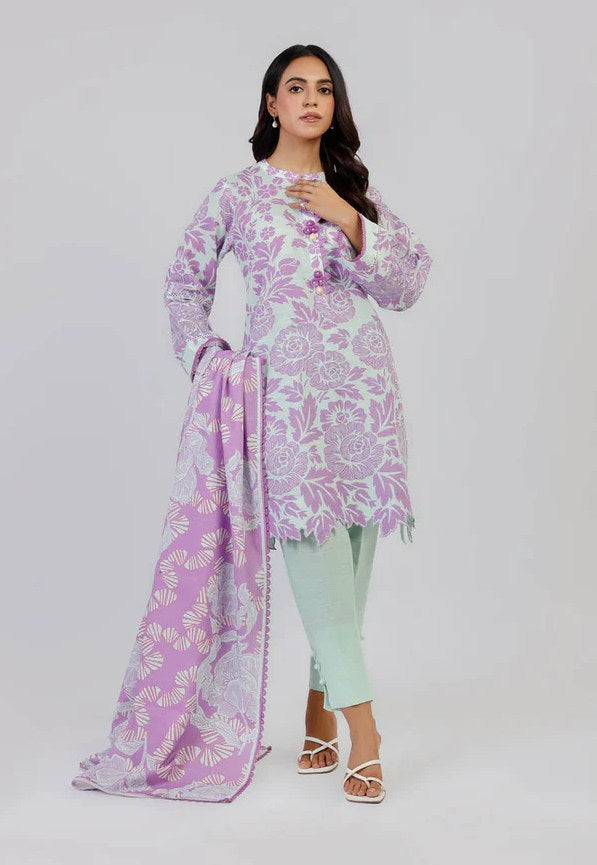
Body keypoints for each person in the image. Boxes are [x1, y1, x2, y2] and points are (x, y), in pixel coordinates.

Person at [164, 44, 433, 803]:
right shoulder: (238, 194)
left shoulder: (353, 191)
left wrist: (350, 219)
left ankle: (319, 711)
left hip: (363, 392)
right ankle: (364, 730)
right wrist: (207, 357)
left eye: (324, 89)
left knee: (353, 559)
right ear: (271, 103)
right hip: (284, 398)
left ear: (334, 105)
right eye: (296, 87)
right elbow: (182, 283)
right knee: (315, 555)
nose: (311, 99)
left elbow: (408, 282)